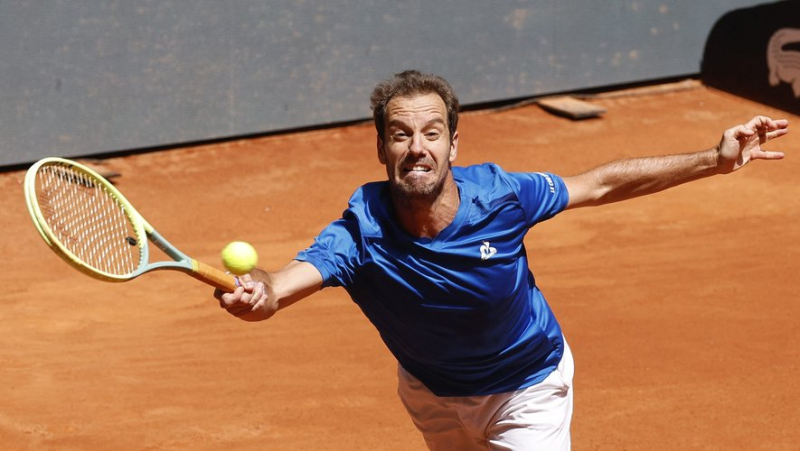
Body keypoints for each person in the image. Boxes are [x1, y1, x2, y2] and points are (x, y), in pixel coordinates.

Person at [215, 70, 789, 450]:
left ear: (453, 146)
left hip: (527, 388)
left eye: (432, 133)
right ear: (382, 147)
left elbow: (598, 185)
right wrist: (259, 292)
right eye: (401, 134)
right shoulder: (359, 230)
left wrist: (713, 159)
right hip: (431, 392)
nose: (418, 147)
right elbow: (282, 285)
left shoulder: (502, 196)